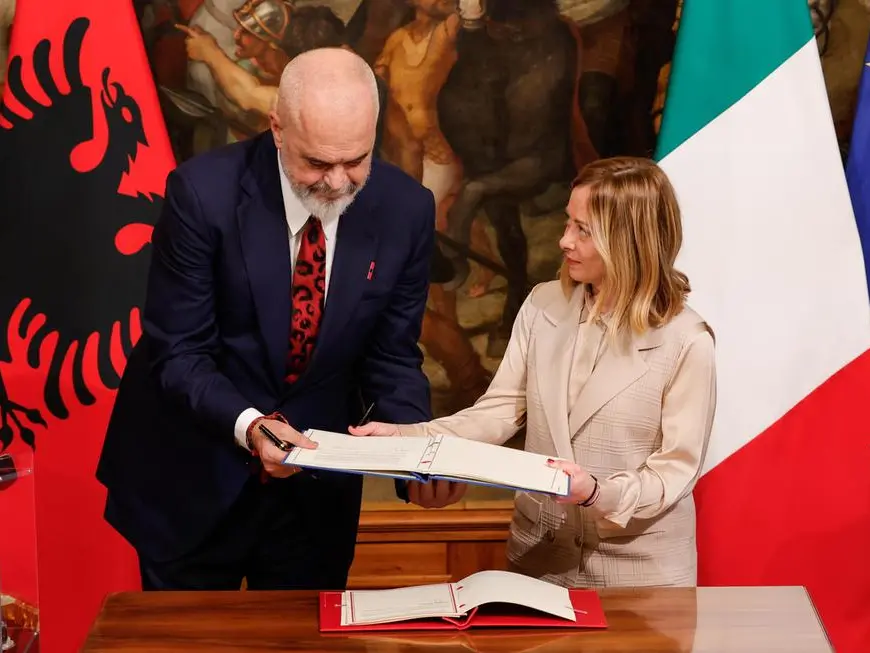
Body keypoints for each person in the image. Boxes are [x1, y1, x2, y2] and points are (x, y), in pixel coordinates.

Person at [96, 47, 466, 592]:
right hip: (195, 477)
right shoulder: (203, 194)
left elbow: (391, 354)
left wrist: (416, 453)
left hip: (313, 500)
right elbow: (179, 352)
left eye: (356, 160)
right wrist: (252, 426)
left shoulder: (405, 209)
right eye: (317, 163)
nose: (337, 183)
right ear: (277, 128)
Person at [352, 156, 717, 587]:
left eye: (583, 230)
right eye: (567, 222)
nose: (564, 240)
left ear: (630, 240)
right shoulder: (543, 304)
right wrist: (408, 437)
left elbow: (674, 471)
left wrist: (597, 494)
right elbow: (498, 412)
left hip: (638, 574)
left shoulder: (687, 340)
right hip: (539, 562)